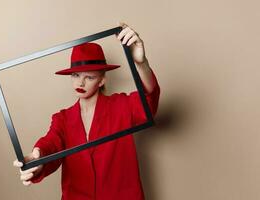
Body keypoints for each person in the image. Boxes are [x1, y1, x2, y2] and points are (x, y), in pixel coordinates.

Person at [13, 22, 161, 200]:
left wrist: (141, 63)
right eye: (75, 75)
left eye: (89, 77)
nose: (80, 83)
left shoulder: (122, 106)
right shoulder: (62, 119)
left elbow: (149, 99)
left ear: (102, 80)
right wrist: (37, 158)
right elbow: (51, 144)